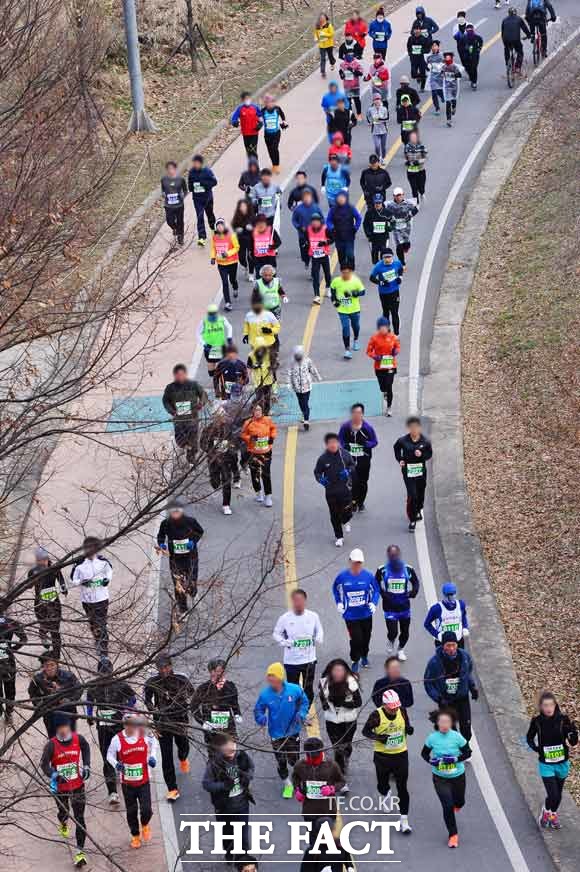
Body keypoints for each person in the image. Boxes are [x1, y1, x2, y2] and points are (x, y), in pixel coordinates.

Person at [40, 713, 90, 867]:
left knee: (80, 818)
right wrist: (54, 774)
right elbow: (44, 765)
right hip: (60, 788)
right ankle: (62, 821)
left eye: (65, 726)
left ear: (69, 726)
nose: (63, 730)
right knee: (64, 812)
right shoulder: (51, 745)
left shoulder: (78, 739)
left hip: (77, 786)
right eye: (60, 727)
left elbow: (86, 747)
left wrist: (87, 765)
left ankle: (80, 852)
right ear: (56, 729)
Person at [254, 662, 309, 798]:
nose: (270, 680)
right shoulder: (265, 695)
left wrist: (301, 714)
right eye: (269, 677)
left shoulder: (294, 689)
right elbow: (258, 709)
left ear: (280, 677)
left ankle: (299, 782)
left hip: (292, 731)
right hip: (276, 734)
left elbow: (304, 701)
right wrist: (261, 718)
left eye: (273, 677)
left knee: (294, 760)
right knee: (281, 760)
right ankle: (288, 784)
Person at [144, 653, 194, 801]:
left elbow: (193, 695)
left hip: (180, 720)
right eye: (161, 668)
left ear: (171, 666)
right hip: (162, 723)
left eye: (166, 667)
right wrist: (154, 710)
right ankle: (172, 789)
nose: (164, 670)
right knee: (166, 757)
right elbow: (147, 701)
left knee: (183, 746)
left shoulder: (181, 678)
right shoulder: (152, 681)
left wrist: (185, 704)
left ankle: (183, 758)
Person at [86, 657, 136, 806]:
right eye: (102, 672)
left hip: (119, 725)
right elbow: (89, 701)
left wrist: (125, 711)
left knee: (122, 753)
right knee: (107, 757)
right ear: (98, 672)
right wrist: (89, 715)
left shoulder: (121, 684)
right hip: (103, 727)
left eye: (108, 671)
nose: (105, 675)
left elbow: (132, 699)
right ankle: (112, 792)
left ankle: (121, 772)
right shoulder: (93, 686)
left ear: (112, 671)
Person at [362, 689, 413, 833]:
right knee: (382, 784)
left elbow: (406, 725)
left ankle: (404, 821)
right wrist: (379, 737)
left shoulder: (402, 711)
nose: (394, 710)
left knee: (402, 787)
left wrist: (409, 729)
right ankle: (386, 793)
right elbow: (365, 732)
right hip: (382, 756)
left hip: (401, 754)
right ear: (384, 706)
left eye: (396, 707)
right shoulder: (376, 715)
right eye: (391, 708)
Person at [526, 691, 578, 829]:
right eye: (545, 705)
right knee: (553, 794)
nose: (548, 708)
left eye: (551, 705)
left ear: (555, 705)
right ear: (541, 707)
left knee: (558, 795)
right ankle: (546, 812)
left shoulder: (563, 719)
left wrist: (574, 734)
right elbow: (529, 738)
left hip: (562, 763)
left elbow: (573, 742)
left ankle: (552, 814)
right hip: (546, 764)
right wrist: (537, 749)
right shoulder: (537, 721)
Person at [421, 708, 472, 848]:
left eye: (447, 722)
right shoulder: (432, 738)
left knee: (460, 802)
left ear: (451, 723)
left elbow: (468, 753)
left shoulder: (457, 737)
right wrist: (432, 761)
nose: (444, 725)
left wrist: (455, 759)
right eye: (441, 722)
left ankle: (457, 805)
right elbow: (424, 754)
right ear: (437, 723)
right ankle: (453, 835)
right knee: (447, 806)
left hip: (458, 776)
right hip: (440, 777)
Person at [106, 712, 158, 848]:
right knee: (131, 811)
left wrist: (153, 757)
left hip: (144, 780)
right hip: (127, 783)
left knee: (146, 809)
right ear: (124, 725)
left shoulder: (143, 734)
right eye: (129, 725)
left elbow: (155, 743)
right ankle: (135, 836)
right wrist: (116, 764)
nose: (132, 727)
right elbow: (109, 755)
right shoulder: (117, 739)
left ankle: (145, 824)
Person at [203, 734, 255, 862]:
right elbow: (206, 784)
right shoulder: (215, 764)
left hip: (242, 804)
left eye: (233, 749)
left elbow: (251, 768)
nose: (232, 752)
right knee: (227, 834)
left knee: (242, 835)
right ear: (222, 750)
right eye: (228, 750)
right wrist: (224, 785)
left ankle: (244, 861)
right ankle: (229, 852)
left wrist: (246, 776)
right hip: (224, 807)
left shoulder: (242, 757)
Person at [273, 588, 323, 708]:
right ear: (292, 602)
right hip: (291, 661)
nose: (298, 603)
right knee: (292, 689)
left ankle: (304, 711)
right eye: (295, 600)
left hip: (309, 659)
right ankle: (294, 711)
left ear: (305, 601)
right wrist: (286, 643)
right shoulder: (285, 618)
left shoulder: (313, 616)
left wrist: (317, 639)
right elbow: (276, 633)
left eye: (300, 600)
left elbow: (319, 630)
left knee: (308, 688)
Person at [424, 632, 478, 741]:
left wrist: (472, 687)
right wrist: (438, 698)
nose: (452, 648)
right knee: (451, 732)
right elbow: (428, 683)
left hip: (462, 698)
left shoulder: (465, 656)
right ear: (443, 646)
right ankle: (456, 753)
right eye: (448, 645)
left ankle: (463, 747)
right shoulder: (434, 662)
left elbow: (468, 673)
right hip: (446, 700)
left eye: (454, 645)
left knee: (466, 730)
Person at [332, 548, 379, 671]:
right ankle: (355, 659)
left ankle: (364, 656)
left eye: (359, 563)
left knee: (366, 637)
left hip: (366, 613)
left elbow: (376, 590)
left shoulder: (368, 576)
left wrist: (374, 603)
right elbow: (335, 590)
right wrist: (339, 603)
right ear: (350, 562)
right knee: (356, 639)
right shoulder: (342, 577)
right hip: (350, 615)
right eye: (355, 562)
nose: (357, 565)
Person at [156, 500, 204, 613]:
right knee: (178, 585)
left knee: (191, 580)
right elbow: (161, 536)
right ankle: (183, 610)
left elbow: (200, 531)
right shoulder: (166, 523)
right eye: (173, 512)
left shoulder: (191, 521)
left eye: (177, 512)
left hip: (191, 557)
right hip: (175, 559)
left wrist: (193, 541)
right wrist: (162, 544)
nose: (176, 514)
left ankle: (193, 593)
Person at [319, 659, 362, 781]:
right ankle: (340, 773)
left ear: (345, 672)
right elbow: (322, 696)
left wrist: (343, 703)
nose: (338, 673)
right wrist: (325, 705)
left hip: (348, 720)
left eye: (341, 670)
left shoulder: (352, 684)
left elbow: (358, 702)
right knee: (337, 747)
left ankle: (346, 757)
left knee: (346, 746)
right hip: (332, 720)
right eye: (335, 670)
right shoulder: (324, 683)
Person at [70, 536, 112, 657]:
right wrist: (82, 582)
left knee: (102, 622)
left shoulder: (103, 561)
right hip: (87, 599)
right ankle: (97, 639)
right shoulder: (79, 563)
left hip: (102, 597)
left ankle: (104, 649)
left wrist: (106, 580)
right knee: (93, 623)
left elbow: (109, 571)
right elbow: (73, 579)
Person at [375, 545, 419, 660]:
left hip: (404, 607)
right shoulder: (382, 570)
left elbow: (415, 582)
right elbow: (376, 583)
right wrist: (383, 594)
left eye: (396, 555)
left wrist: (412, 593)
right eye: (391, 555)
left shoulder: (408, 569)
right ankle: (391, 640)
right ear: (388, 556)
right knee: (393, 632)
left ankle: (400, 649)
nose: (394, 557)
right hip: (390, 607)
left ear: (399, 555)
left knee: (405, 632)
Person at [314, 432, 355, 546]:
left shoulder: (345, 454)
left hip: (345, 488)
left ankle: (346, 519)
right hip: (331, 490)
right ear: (326, 445)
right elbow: (317, 472)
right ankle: (339, 537)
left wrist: (348, 471)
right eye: (330, 443)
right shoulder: (323, 459)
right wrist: (321, 480)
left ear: (338, 443)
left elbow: (352, 465)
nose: (333, 445)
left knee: (346, 509)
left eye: (335, 442)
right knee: (334, 513)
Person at [393, 415, 433, 530]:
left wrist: (422, 455)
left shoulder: (425, 441)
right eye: (412, 428)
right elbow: (396, 448)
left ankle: (419, 509)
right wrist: (400, 459)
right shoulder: (402, 441)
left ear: (420, 428)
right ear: (409, 428)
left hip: (420, 471)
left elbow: (429, 454)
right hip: (408, 471)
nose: (414, 430)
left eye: (416, 428)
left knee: (420, 493)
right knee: (412, 495)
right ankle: (412, 519)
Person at [200, 406, 241, 516]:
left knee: (227, 480)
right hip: (213, 459)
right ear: (215, 418)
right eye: (221, 417)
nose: (224, 418)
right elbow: (202, 444)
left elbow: (235, 441)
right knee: (215, 482)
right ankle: (215, 484)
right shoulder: (208, 430)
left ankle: (226, 505)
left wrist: (231, 449)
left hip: (226, 459)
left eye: (224, 416)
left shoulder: (228, 428)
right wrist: (212, 452)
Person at [192, 658, 242, 747]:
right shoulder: (203, 688)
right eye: (217, 671)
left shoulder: (230, 686)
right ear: (211, 672)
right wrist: (203, 722)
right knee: (214, 754)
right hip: (211, 726)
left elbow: (234, 703)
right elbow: (194, 707)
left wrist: (237, 714)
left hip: (228, 726)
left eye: (222, 671)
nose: (220, 674)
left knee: (231, 753)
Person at [162, 364, 207, 462]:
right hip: (179, 419)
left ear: (185, 374)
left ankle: (191, 456)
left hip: (192, 418)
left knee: (193, 438)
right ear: (175, 376)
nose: (180, 377)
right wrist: (171, 411)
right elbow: (165, 401)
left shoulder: (193, 385)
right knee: (180, 440)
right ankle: (186, 446)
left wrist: (201, 403)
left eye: (182, 374)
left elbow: (203, 394)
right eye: (178, 375)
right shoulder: (170, 388)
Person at [29, 652, 81, 737]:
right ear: (43, 666)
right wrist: (40, 704)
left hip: (68, 713)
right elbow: (32, 694)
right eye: (47, 665)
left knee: (70, 740)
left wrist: (70, 700)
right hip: (50, 715)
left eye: (52, 665)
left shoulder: (68, 676)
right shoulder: (37, 679)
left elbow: (79, 689)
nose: (50, 668)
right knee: (54, 741)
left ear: (57, 664)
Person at [338, 403, 378, 512]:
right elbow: (340, 440)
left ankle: (361, 502)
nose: (357, 415)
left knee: (363, 482)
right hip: (349, 460)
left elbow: (375, 442)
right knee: (351, 482)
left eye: (359, 413)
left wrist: (365, 444)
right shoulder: (345, 427)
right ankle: (353, 502)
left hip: (363, 460)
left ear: (362, 414)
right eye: (355, 413)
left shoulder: (367, 428)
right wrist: (344, 447)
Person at [292, 736, 344, 819]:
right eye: (310, 755)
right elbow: (295, 778)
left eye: (316, 755)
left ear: (321, 751)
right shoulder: (300, 766)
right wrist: (297, 790)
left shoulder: (331, 765)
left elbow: (341, 781)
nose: (313, 758)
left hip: (328, 811)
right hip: (309, 810)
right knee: (311, 831)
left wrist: (332, 789)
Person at [29, 547, 67, 658]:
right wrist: (33, 580)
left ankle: (57, 655)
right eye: (39, 560)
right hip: (39, 603)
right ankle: (42, 632)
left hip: (53, 602)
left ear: (47, 558)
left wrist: (64, 588)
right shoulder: (33, 571)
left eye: (44, 559)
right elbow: (28, 585)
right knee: (45, 624)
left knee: (55, 629)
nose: (42, 562)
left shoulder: (54, 568)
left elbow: (61, 580)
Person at [241, 403, 276, 506]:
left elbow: (273, 429)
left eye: (259, 410)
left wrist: (272, 437)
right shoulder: (248, 423)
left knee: (266, 473)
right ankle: (258, 493)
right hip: (253, 453)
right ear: (252, 412)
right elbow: (242, 434)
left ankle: (268, 496)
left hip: (266, 452)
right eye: (255, 410)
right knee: (255, 474)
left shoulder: (267, 420)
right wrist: (250, 438)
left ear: (262, 411)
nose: (258, 412)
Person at [366, 317, 400, 416]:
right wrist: (376, 357)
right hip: (379, 367)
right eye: (381, 327)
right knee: (383, 387)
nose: (383, 329)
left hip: (390, 366)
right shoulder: (374, 338)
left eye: (385, 327)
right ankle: (384, 391)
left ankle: (389, 407)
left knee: (389, 385)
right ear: (378, 328)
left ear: (388, 327)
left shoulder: (393, 337)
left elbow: (397, 347)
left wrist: (395, 351)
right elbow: (368, 351)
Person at [330, 262, 365, 358]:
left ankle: (356, 340)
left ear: (351, 272)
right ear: (341, 272)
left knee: (356, 326)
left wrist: (355, 293)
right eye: (343, 272)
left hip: (354, 309)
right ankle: (347, 350)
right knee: (345, 328)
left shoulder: (356, 281)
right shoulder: (336, 281)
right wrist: (334, 302)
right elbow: (332, 293)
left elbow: (363, 292)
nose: (346, 274)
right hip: (342, 310)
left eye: (348, 272)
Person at [0, 606, 27, 722]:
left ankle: (7, 712)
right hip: (8, 660)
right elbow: (24, 639)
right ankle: (8, 712)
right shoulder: (11, 622)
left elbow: (24, 638)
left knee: (9, 688)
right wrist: (12, 648)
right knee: (10, 688)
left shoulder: (10, 622)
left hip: (7, 660)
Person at [424, 582, 470, 648]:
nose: (451, 598)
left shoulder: (461, 605)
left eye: (453, 594)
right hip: (442, 642)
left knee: (462, 658)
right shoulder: (436, 608)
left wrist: (465, 627)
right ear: (444, 595)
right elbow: (427, 624)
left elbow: (463, 616)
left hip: (458, 641)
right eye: (449, 595)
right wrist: (437, 635)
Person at [369, 249, 404, 332]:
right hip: (383, 293)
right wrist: (381, 282)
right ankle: (387, 333)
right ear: (382, 258)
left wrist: (400, 277)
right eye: (385, 257)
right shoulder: (378, 266)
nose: (387, 259)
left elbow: (400, 269)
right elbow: (372, 278)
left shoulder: (397, 263)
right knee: (386, 313)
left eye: (389, 257)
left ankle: (396, 334)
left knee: (394, 312)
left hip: (395, 292)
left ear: (392, 257)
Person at [287, 345, 321, 429]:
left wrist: (318, 376)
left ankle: (306, 420)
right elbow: (289, 373)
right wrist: (288, 383)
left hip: (306, 386)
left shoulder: (307, 360)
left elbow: (313, 369)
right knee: (301, 402)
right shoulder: (292, 362)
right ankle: (304, 413)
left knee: (305, 402)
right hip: (297, 387)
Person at [326, 192, 362, 270]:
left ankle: (351, 270)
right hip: (338, 236)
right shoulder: (333, 209)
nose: (341, 199)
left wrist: (355, 228)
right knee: (341, 255)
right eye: (339, 197)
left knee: (350, 254)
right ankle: (343, 271)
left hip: (349, 236)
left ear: (346, 198)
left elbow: (358, 218)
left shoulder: (351, 208)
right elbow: (328, 221)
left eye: (343, 197)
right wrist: (332, 228)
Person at [187, 154, 217, 246]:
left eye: (197, 163)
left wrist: (203, 184)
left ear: (200, 163)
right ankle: (202, 237)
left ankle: (214, 230)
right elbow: (190, 183)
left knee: (210, 214)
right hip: (197, 199)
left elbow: (214, 182)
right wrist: (191, 188)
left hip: (207, 197)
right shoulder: (191, 172)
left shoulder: (207, 171)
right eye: (194, 163)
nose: (195, 164)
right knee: (199, 216)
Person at [197, 303, 234, 378]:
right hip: (210, 347)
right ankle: (215, 380)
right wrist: (204, 344)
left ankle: (222, 380)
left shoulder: (222, 319)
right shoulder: (204, 321)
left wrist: (229, 338)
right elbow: (198, 334)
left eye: (214, 313)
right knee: (211, 369)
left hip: (220, 345)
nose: (213, 315)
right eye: (211, 313)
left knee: (223, 366)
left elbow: (229, 327)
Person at [385, 188, 418, 267]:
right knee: (399, 245)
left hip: (406, 227)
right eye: (397, 195)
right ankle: (402, 262)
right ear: (394, 196)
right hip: (396, 227)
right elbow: (385, 213)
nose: (399, 197)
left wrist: (410, 216)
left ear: (403, 195)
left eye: (400, 195)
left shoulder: (408, 203)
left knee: (406, 243)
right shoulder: (390, 205)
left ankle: (406, 247)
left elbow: (416, 209)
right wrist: (390, 219)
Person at [210, 220, 239, 310]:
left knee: (232, 279)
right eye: (218, 226)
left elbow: (237, 247)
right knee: (225, 283)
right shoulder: (214, 237)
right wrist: (213, 257)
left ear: (224, 227)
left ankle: (235, 287)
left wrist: (228, 253)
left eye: (221, 226)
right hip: (221, 264)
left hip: (232, 262)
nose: (219, 227)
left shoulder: (231, 236)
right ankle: (228, 303)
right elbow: (213, 248)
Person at [291, 188, 323, 268]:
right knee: (304, 252)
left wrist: (320, 227)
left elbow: (322, 219)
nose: (306, 198)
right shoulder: (298, 209)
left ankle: (314, 270)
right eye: (304, 197)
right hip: (303, 234)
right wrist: (299, 227)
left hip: (314, 235)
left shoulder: (316, 207)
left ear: (311, 197)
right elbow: (294, 220)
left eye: (308, 197)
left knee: (314, 253)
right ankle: (306, 260)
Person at [306, 213, 332, 305]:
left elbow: (332, 239)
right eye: (313, 221)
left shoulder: (325, 229)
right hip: (315, 256)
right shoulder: (308, 229)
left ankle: (328, 289)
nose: (315, 223)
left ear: (320, 221)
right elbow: (306, 239)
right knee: (315, 276)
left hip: (324, 255)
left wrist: (325, 243)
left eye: (316, 221)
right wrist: (305, 245)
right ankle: (317, 295)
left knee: (327, 273)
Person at [247, 336, 276, 413]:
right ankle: (256, 410)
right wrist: (248, 376)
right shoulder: (251, 356)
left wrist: (272, 369)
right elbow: (249, 367)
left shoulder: (269, 354)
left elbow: (274, 365)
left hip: (267, 379)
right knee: (259, 397)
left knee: (267, 397)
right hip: (257, 380)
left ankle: (266, 412)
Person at [161, 160, 187, 245]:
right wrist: (163, 194)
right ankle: (175, 228)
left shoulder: (181, 179)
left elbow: (185, 190)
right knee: (169, 221)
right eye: (168, 169)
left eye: (172, 168)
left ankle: (181, 237)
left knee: (180, 221)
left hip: (179, 205)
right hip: (168, 205)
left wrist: (183, 195)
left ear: (175, 169)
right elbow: (163, 190)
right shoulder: (164, 180)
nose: (170, 170)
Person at [261, 95, 288, 174]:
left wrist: (284, 121)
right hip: (267, 134)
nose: (270, 104)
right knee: (270, 150)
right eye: (268, 103)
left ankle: (276, 165)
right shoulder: (263, 111)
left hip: (276, 133)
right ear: (265, 103)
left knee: (274, 148)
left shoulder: (277, 109)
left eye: (272, 102)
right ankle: (273, 164)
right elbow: (258, 118)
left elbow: (282, 115)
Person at [231, 92, 263, 157]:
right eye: (246, 99)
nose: (248, 100)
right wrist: (235, 123)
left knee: (253, 150)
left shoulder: (255, 107)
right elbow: (234, 118)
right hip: (245, 133)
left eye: (249, 98)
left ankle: (256, 166)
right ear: (242, 100)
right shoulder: (240, 108)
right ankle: (251, 165)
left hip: (254, 132)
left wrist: (260, 124)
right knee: (248, 151)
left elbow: (260, 116)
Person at [231, 198, 256, 281]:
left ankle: (251, 273)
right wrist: (237, 229)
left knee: (250, 256)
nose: (243, 208)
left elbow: (256, 227)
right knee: (241, 257)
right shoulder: (237, 217)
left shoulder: (252, 217)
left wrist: (252, 228)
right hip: (240, 239)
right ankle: (245, 266)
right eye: (241, 206)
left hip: (250, 239)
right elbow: (233, 226)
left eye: (244, 206)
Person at [501, 7, 531, 74]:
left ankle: (507, 64)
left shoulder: (504, 20)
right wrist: (529, 35)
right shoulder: (519, 19)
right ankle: (517, 67)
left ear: (508, 13)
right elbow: (525, 28)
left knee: (506, 49)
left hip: (506, 40)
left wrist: (504, 42)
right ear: (516, 13)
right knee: (520, 51)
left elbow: (502, 33)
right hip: (516, 40)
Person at [251, 213, 281, 278]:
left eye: (262, 223)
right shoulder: (253, 231)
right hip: (258, 259)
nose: (261, 225)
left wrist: (272, 247)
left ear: (266, 223)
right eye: (258, 223)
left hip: (269, 258)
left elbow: (278, 242)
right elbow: (251, 244)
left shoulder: (271, 230)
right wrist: (252, 255)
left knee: (271, 278)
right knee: (259, 278)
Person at [363, 194, 391, 264]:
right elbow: (365, 224)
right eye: (376, 203)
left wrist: (389, 228)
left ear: (382, 202)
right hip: (373, 238)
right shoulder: (369, 213)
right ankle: (376, 271)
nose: (377, 204)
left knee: (384, 256)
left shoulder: (387, 212)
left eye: (379, 203)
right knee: (374, 258)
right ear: (373, 202)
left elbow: (393, 222)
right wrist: (368, 234)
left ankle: (382, 272)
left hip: (384, 238)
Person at [404, 130, 428, 203]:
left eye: (415, 138)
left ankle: (422, 193)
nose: (413, 139)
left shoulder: (422, 146)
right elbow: (406, 157)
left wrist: (418, 162)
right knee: (414, 188)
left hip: (420, 170)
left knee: (421, 186)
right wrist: (408, 162)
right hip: (411, 172)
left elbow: (425, 158)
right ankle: (416, 202)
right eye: (412, 138)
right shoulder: (407, 147)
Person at [339, 51, 364, 119]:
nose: (349, 56)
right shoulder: (342, 64)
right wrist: (342, 75)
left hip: (355, 85)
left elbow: (361, 73)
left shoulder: (356, 64)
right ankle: (350, 115)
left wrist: (352, 70)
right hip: (347, 86)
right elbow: (341, 74)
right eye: (348, 55)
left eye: (351, 55)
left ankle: (359, 114)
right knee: (348, 101)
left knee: (356, 100)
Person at [458, 23, 483, 89]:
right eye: (468, 30)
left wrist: (479, 49)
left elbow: (481, 41)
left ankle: (474, 82)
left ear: (473, 29)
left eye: (471, 29)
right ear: (466, 30)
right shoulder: (463, 38)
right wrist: (463, 52)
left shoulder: (477, 37)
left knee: (474, 68)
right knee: (468, 69)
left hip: (475, 55)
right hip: (466, 56)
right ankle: (471, 79)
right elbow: (460, 46)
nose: (470, 31)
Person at [366, 94, 389, 163]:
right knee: (377, 146)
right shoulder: (370, 109)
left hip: (384, 130)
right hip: (375, 131)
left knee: (383, 146)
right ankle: (378, 157)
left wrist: (380, 119)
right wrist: (370, 122)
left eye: (378, 99)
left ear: (381, 100)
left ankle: (383, 158)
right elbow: (368, 116)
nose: (377, 101)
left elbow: (387, 118)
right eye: (376, 99)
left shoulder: (384, 109)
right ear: (373, 101)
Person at [442, 51, 462, 128]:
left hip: (454, 86)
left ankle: (454, 107)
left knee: (453, 100)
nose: (447, 60)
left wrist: (454, 74)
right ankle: (448, 120)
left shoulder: (454, 67)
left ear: (451, 58)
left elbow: (459, 75)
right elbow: (441, 73)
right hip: (447, 87)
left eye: (448, 58)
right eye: (446, 58)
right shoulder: (443, 67)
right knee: (447, 102)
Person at [407, 25, 430, 91]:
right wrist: (409, 53)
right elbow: (408, 46)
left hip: (421, 58)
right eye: (415, 29)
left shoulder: (424, 38)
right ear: (413, 31)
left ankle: (422, 87)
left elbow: (428, 48)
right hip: (413, 58)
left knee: (422, 72)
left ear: (420, 30)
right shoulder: (411, 38)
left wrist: (422, 51)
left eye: (418, 29)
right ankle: (418, 77)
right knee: (413, 74)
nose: (417, 31)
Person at [314, 13, 336, 78]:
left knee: (330, 56)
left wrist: (324, 34)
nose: (322, 19)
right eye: (321, 18)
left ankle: (332, 63)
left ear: (325, 18)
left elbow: (332, 34)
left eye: (323, 18)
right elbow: (316, 33)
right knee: (322, 58)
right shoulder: (317, 26)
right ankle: (323, 72)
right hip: (321, 45)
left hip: (329, 44)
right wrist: (316, 38)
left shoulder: (328, 25)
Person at [426, 40, 445, 114]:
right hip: (433, 76)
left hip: (441, 76)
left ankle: (443, 97)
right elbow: (427, 66)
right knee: (434, 92)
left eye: (435, 46)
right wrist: (428, 67)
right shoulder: (429, 57)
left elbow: (446, 65)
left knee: (439, 90)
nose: (434, 47)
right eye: (432, 46)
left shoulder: (442, 56)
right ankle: (437, 108)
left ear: (438, 47)